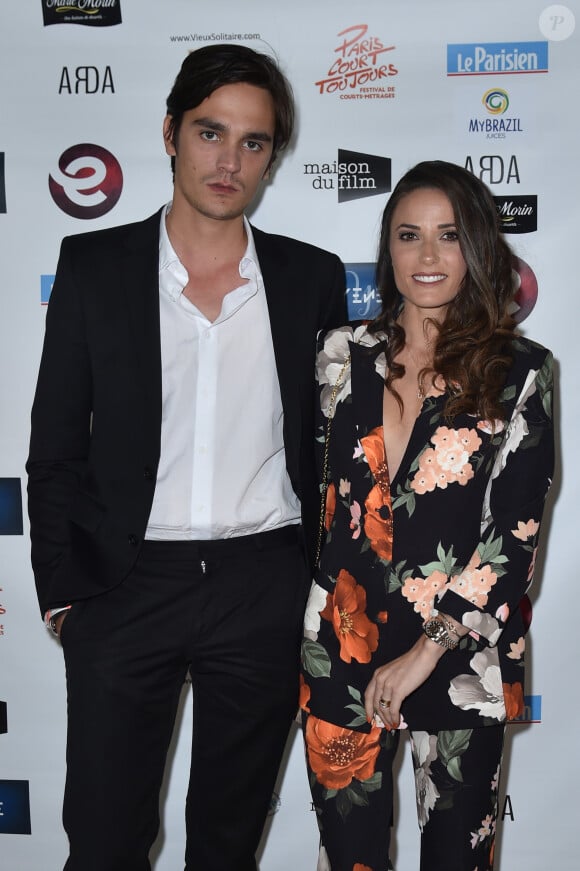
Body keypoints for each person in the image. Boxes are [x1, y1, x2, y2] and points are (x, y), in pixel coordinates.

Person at [26, 43, 346, 871]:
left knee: (227, 844)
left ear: (273, 155)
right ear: (170, 132)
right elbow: (55, 445)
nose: (229, 160)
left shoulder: (309, 279)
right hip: (124, 583)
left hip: (263, 584)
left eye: (253, 142)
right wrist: (65, 590)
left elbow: (335, 445)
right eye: (210, 132)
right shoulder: (94, 267)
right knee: (103, 842)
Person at [300, 160, 554, 871]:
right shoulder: (339, 357)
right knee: (350, 859)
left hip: (461, 656)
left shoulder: (520, 372)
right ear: (390, 250)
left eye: (449, 235)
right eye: (410, 235)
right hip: (340, 655)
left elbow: (512, 541)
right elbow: (311, 503)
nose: (429, 256)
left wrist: (426, 650)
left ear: (477, 247)